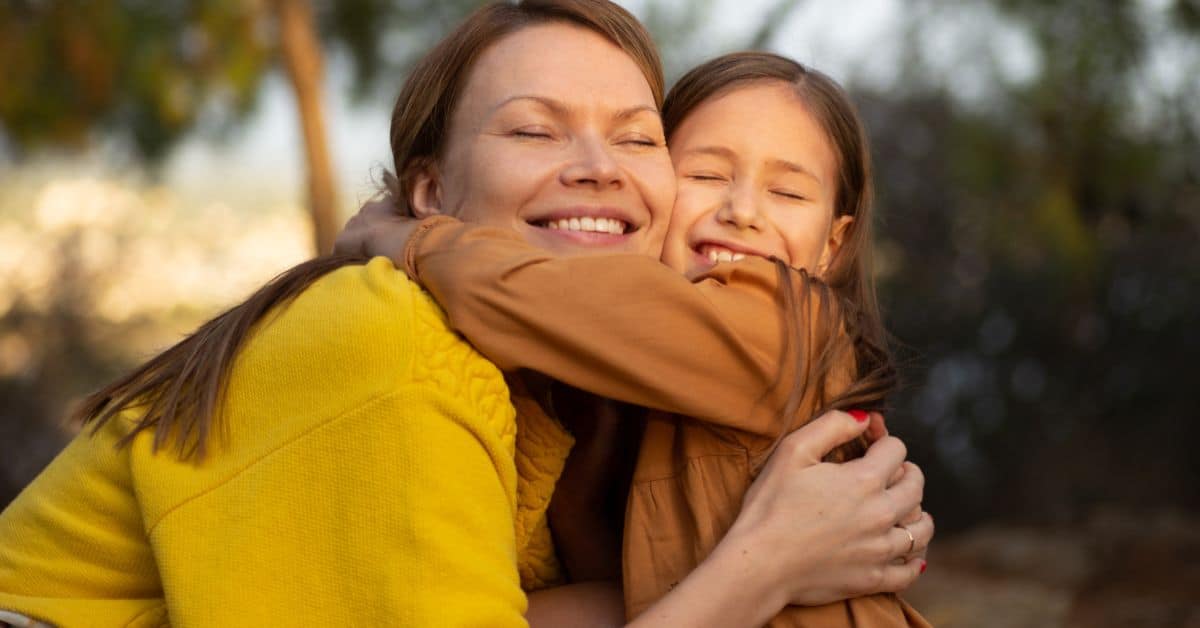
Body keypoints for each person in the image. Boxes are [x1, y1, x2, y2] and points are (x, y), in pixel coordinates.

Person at [0, 2, 928, 627]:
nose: (600, 165)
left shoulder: (570, 400)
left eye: (637, 138)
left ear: (837, 240)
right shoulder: (389, 347)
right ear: (430, 191)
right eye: (533, 128)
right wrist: (769, 563)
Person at [338, 49, 931, 626]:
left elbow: (535, 296)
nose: (742, 210)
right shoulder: (616, 379)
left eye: (789, 193)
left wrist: (402, 237)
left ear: (833, 243)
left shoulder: (786, 321)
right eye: (706, 174)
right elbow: (642, 591)